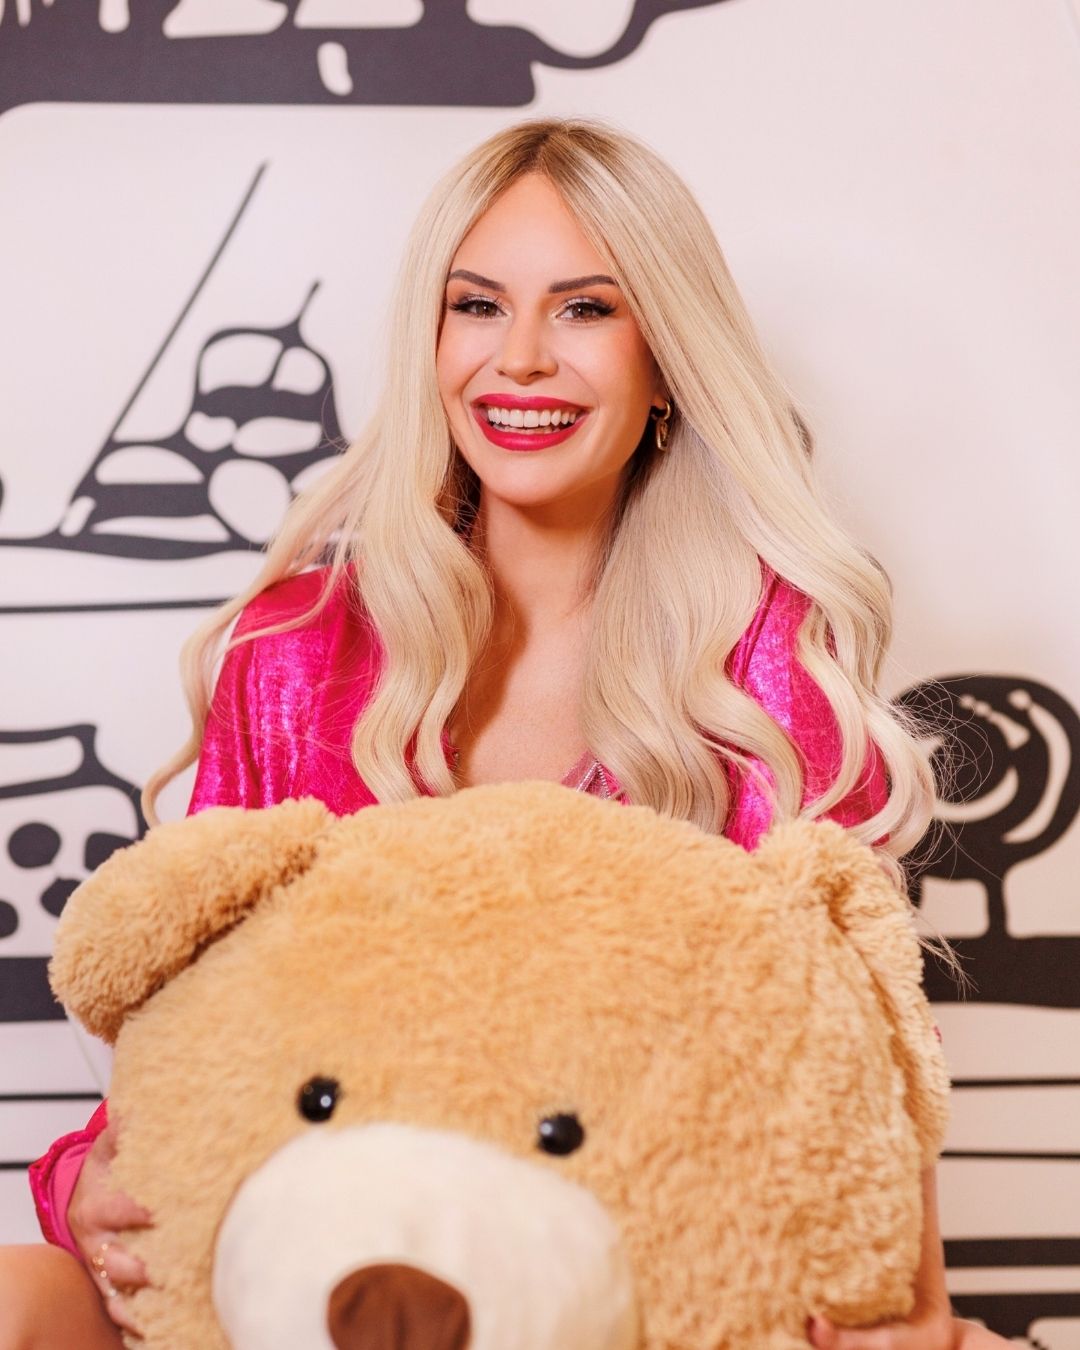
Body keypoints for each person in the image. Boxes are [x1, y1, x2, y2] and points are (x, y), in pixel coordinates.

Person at [2, 119, 1007, 1349]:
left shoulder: (762, 661)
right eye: (477, 306)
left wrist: (916, 1305)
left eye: (584, 310)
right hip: (327, 1274)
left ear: (666, 361)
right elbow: (197, 1014)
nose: (519, 359)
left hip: (622, 1285)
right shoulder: (300, 649)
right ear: (431, 343)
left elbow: (849, 1022)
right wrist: (85, 1182)